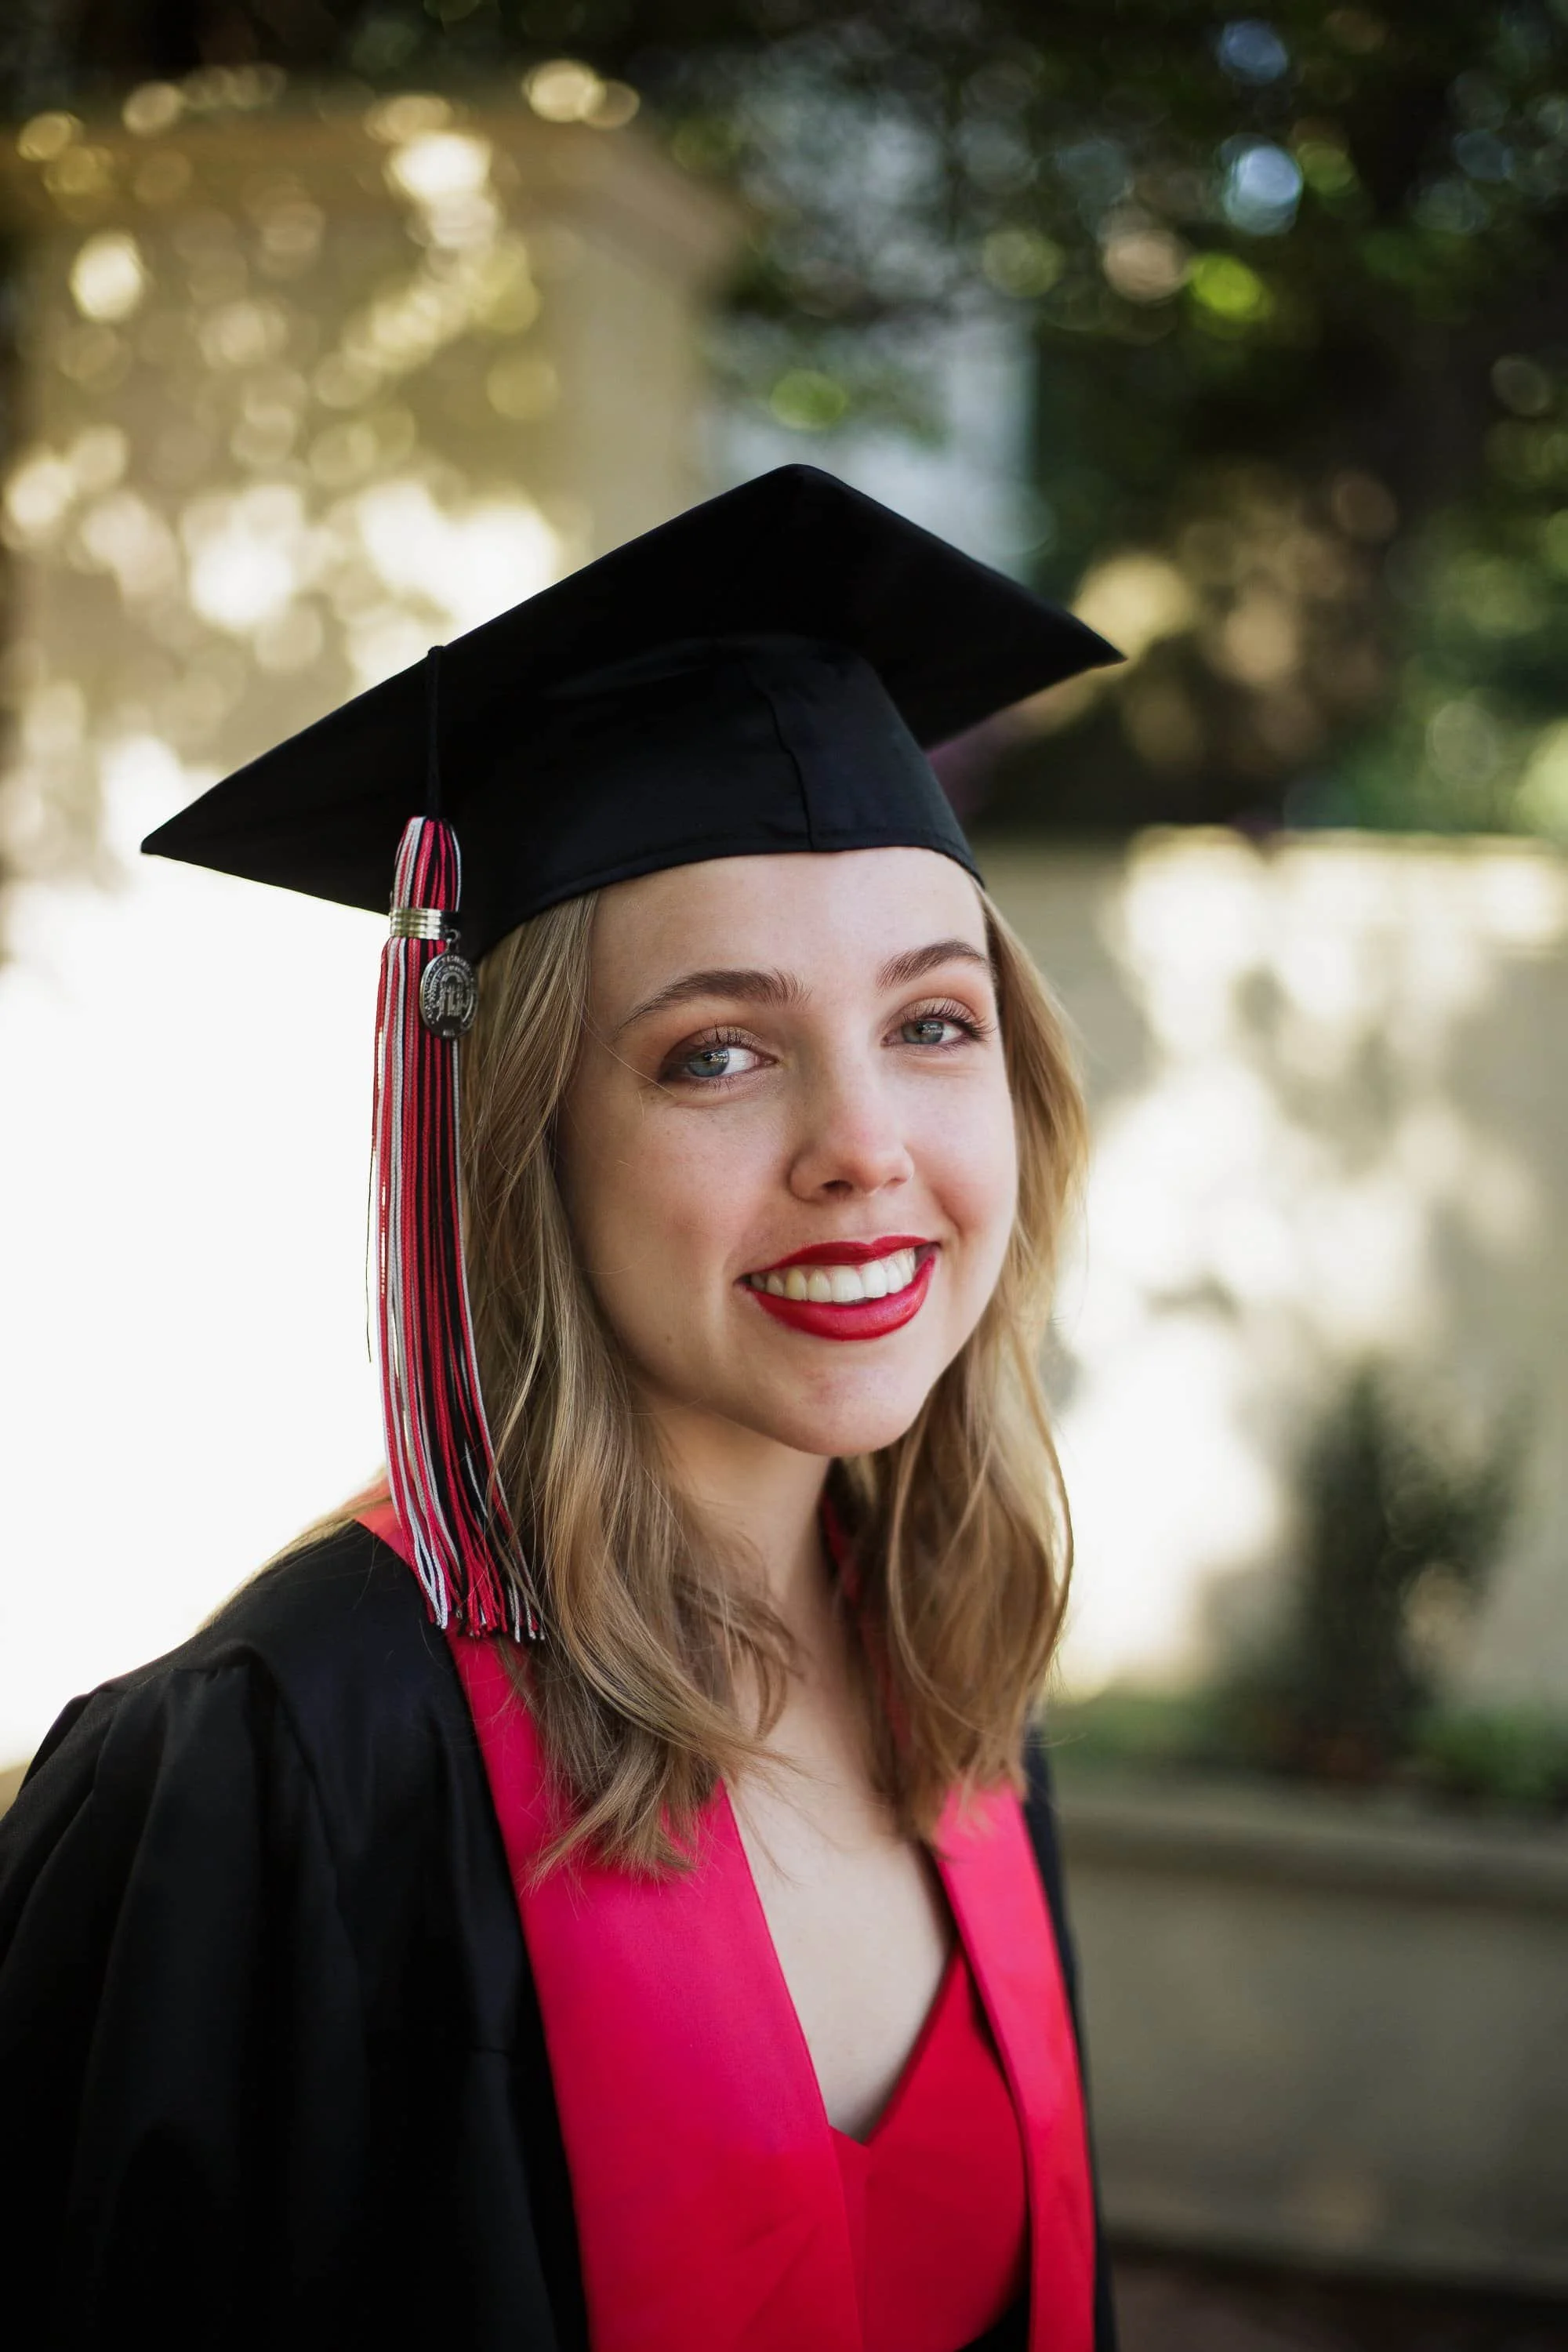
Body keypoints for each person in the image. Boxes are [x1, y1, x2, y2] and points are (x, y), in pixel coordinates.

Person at [0, 465, 1121, 2352]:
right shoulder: (278, 1779)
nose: (863, 1147)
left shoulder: (956, 1676)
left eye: (932, 1023)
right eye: (718, 1052)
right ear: (522, 1142)